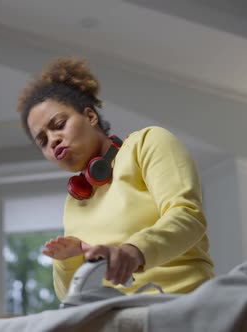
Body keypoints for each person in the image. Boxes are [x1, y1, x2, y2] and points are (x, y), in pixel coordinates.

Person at [16, 57, 214, 301]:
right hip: (114, 318)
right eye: (43, 141)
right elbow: (69, 296)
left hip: (181, 303)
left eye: (58, 124)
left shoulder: (147, 143)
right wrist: (68, 262)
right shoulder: (76, 201)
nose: (53, 140)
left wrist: (134, 251)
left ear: (90, 116)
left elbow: (188, 216)